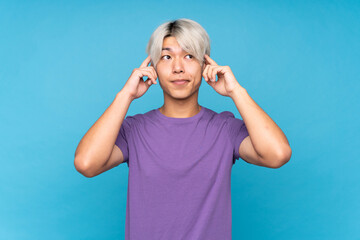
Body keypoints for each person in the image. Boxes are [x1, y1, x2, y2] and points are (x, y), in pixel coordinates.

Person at [74, 18, 292, 240]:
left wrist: (236, 91)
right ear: (153, 68)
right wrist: (125, 95)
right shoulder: (134, 130)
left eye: (189, 56)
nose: (178, 68)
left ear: (205, 65)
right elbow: (86, 164)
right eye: (166, 57)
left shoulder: (224, 129)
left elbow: (277, 155)